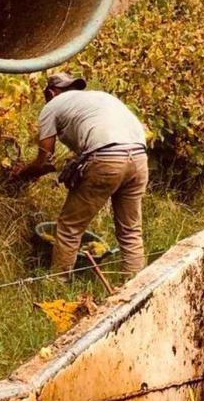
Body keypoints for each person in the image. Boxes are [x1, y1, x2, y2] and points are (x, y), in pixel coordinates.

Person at [9, 73, 148, 275]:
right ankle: (136, 287)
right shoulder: (98, 98)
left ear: (50, 93)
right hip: (139, 159)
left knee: (68, 227)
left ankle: (58, 283)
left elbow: (44, 158)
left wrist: (21, 175)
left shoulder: (52, 106)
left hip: (108, 158)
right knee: (131, 230)